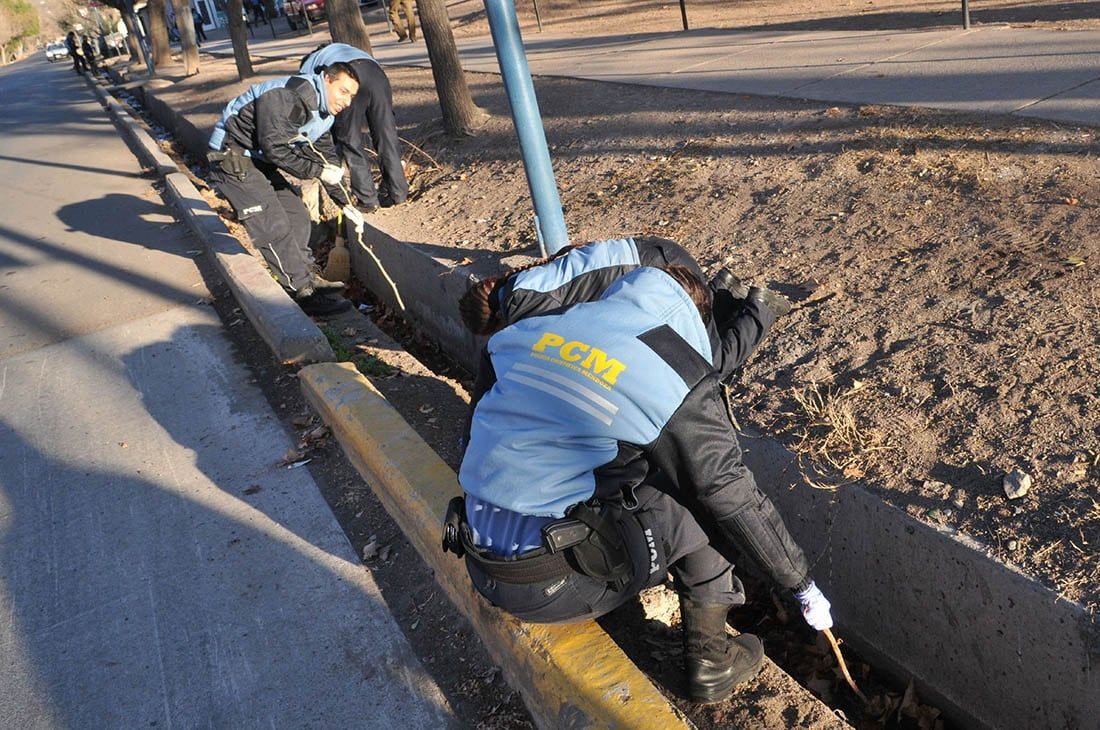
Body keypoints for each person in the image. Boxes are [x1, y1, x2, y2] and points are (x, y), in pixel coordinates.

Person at [447, 259, 833, 704]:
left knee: (630, 462)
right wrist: (800, 582)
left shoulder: (532, 332)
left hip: (479, 557)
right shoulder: (670, 370)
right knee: (695, 493)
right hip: (549, 585)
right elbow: (726, 490)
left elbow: (475, 433)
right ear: (691, 321)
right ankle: (710, 658)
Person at [460, 235, 792, 383]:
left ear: (494, 323)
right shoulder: (524, 283)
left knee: (709, 366)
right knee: (688, 331)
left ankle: (762, 307)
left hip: (666, 272)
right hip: (659, 253)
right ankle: (724, 289)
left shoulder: (523, 309)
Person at [206, 62, 363, 316]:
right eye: (343, 91)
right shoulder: (287, 96)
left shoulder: (324, 115)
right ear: (326, 79)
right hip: (231, 158)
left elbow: (326, 160)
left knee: (297, 217)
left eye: (352, 96)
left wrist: (345, 202)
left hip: (257, 160)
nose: (347, 101)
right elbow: (275, 147)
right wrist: (318, 172)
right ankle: (301, 292)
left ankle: (307, 278)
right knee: (273, 224)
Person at [299, 43, 409, 211]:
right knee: (386, 134)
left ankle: (368, 200)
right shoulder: (341, 48)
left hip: (347, 79)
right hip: (376, 73)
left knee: (351, 140)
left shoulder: (309, 64)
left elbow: (307, 96)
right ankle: (398, 193)